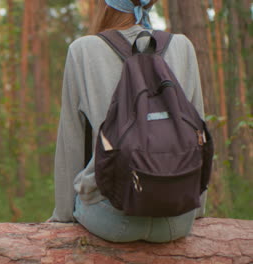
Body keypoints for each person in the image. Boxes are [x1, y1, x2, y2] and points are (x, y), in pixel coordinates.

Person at [49, 0, 207, 242]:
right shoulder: (182, 46)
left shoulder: (83, 50)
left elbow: (71, 142)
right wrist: (196, 211)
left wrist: (62, 217)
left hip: (113, 219)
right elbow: (199, 135)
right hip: (178, 219)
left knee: (84, 195)